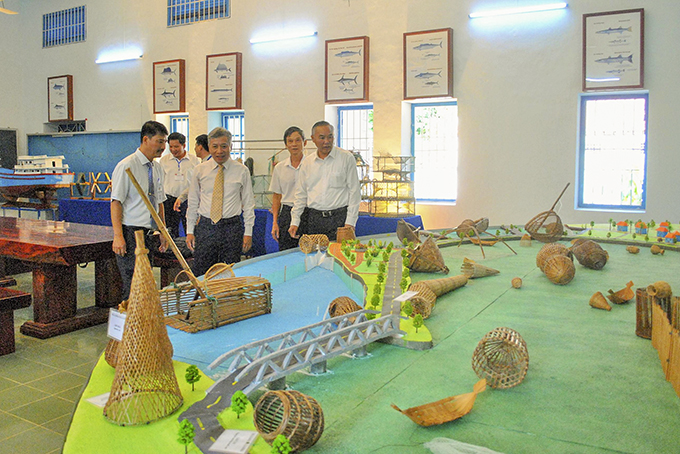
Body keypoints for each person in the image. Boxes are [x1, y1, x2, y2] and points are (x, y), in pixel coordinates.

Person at [110, 120, 168, 300]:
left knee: (146, 284)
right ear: (145, 139)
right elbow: (116, 202)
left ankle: (144, 325)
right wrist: (118, 236)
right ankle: (129, 324)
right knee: (133, 285)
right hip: (131, 234)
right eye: (159, 141)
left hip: (150, 235)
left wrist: (163, 231)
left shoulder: (157, 168)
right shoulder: (126, 166)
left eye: (164, 142)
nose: (163, 147)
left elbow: (159, 202)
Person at [186, 127, 255, 276]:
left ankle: (227, 299)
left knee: (229, 273)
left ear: (230, 146)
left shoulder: (242, 171)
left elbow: (249, 204)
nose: (219, 151)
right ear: (209, 147)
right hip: (205, 228)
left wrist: (248, 232)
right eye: (215, 146)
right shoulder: (199, 170)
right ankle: (202, 299)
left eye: (224, 146)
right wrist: (190, 231)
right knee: (201, 272)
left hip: (231, 229)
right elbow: (192, 202)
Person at [288, 121, 361, 241]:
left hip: (340, 219)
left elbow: (355, 192)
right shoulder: (307, 163)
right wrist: (295, 221)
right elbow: (301, 194)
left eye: (330, 136)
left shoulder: (346, 158)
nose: (326, 141)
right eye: (322, 137)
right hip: (314, 220)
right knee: (315, 258)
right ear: (313, 139)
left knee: (340, 257)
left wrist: (350, 222)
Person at [269, 126, 307, 251]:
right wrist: (275, 222)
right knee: (286, 253)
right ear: (285, 145)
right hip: (287, 214)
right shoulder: (280, 168)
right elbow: (277, 196)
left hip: (308, 213)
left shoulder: (312, 165)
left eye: (298, 140)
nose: (294, 144)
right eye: (290, 141)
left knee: (309, 252)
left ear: (304, 142)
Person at [158, 132, 199, 238]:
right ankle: (172, 253)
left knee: (190, 229)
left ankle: (190, 252)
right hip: (169, 200)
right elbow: (159, 181)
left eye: (176, 146)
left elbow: (197, 183)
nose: (173, 149)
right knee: (171, 231)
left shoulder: (194, 161)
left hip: (188, 201)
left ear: (184, 145)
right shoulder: (164, 161)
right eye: (170, 146)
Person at [173, 134, 210, 213]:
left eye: (195, 146)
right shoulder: (204, 164)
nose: (194, 148)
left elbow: (196, 186)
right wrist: (181, 198)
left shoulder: (206, 166)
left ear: (200, 147)